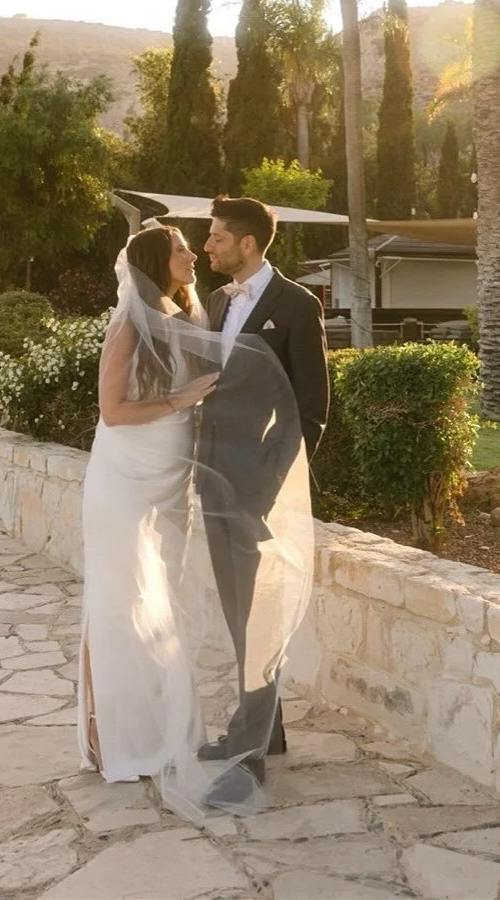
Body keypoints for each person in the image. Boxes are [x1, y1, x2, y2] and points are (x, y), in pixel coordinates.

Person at [197, 195, 329, 807]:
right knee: (236, 612)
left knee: (259, 616)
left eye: (218, 237)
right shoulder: (219, 303)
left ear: (247, 242)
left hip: (258, 488)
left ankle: (249, 755)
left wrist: (270, 485)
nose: (208, 246)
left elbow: (311, 409)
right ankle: (264, 730)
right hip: (212, 478)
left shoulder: (298, 307)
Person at [78, 225, 217, 788]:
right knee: (116, 599)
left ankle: (162, 726)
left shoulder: (183, 316)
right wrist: (179, 400)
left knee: (164, 601)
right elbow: (112, 410)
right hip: (125, 478)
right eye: (182, 248)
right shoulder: (129, 322)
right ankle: (104, 730)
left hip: (170, 477)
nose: (192, 255)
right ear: (157, 261)